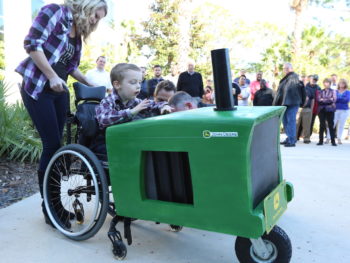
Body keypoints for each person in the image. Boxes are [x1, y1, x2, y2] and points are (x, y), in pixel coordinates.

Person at [15, 0, 108, 227]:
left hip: (59, 90)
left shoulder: (77, 35)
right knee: (51, 145)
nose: (95, 21)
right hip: (39, 88)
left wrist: (91, 84)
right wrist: (50, 76)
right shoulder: (55, 11)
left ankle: (56, 202)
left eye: (99, 19)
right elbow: (32, 44)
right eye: (95, 15)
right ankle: (51, 207)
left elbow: (70, 67)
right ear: (86, 6)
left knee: (60, 149)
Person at [93, 64, 172, 155]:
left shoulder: (134, 101)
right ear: (117, 85)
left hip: (123, 139)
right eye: (133, 82)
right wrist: (131, 111)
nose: (139, 86)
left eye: (140, 82)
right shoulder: (107, 101)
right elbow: (104, 119)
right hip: (105, 142)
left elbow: (152, 104)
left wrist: (164, 106)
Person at [273, 63, 306, 147]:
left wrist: (302, 102)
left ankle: (292, 140)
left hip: (293, 103)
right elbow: (281, 92)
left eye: (287, 68)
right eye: (284, 68)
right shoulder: (286, 78)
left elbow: (302, 91)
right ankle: (289, 138)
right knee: (285, 121)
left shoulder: (295, 77)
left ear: (291, 68)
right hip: (285, 103)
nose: (285, 70)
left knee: (290, 121)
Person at [317, 78, 337, 146]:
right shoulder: (320, 91)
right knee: (322, 125)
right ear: (323, 83)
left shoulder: (333, 91)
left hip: (330, 110)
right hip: (321, 110)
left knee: (331, 125)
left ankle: (333, 141)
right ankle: (320, 141)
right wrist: (328, 99)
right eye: (325, 82)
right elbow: (319, 100)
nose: (326, 84)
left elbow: (333, 100)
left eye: (327, 82)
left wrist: (324, 99)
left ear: (330, 83)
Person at [332, 79, 350, 144]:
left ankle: (339, 138)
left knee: (341, 124)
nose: (342, 85)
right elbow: (334, 99)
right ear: (338, 84)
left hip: (344, 110)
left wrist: (338, 99)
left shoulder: (348, 92)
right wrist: (341, 99)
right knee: (332, 123)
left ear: (345, 84)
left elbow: (347, 100)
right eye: (340, 83)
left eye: (343, 83)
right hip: (336, 110)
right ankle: (329, 137)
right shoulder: (335, 91)